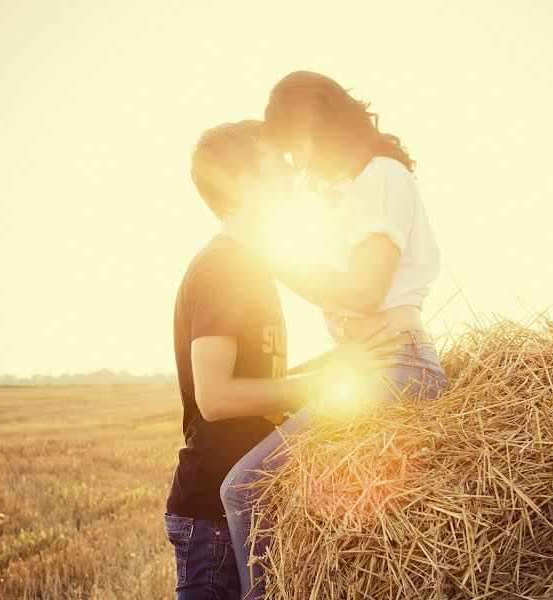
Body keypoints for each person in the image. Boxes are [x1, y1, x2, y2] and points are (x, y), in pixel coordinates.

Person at [220, 71, 448, 599]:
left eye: (295, 147)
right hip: (371, 366)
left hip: (397, 366)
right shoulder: (353, 191)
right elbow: (341, 294)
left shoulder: (382, 179)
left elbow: (365, 292)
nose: (296, 165)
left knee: (246, 487)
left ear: (321, 126)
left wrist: (270, 256)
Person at [165, 119, 399, 600]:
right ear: (247, 183)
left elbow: (257, 379)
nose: (293, 172)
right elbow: (215, 396)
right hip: (212, 510)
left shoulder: (250, 264)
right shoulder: (224, 265)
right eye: (278, 161)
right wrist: (325, 381)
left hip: (239, 501)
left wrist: (339, 360)